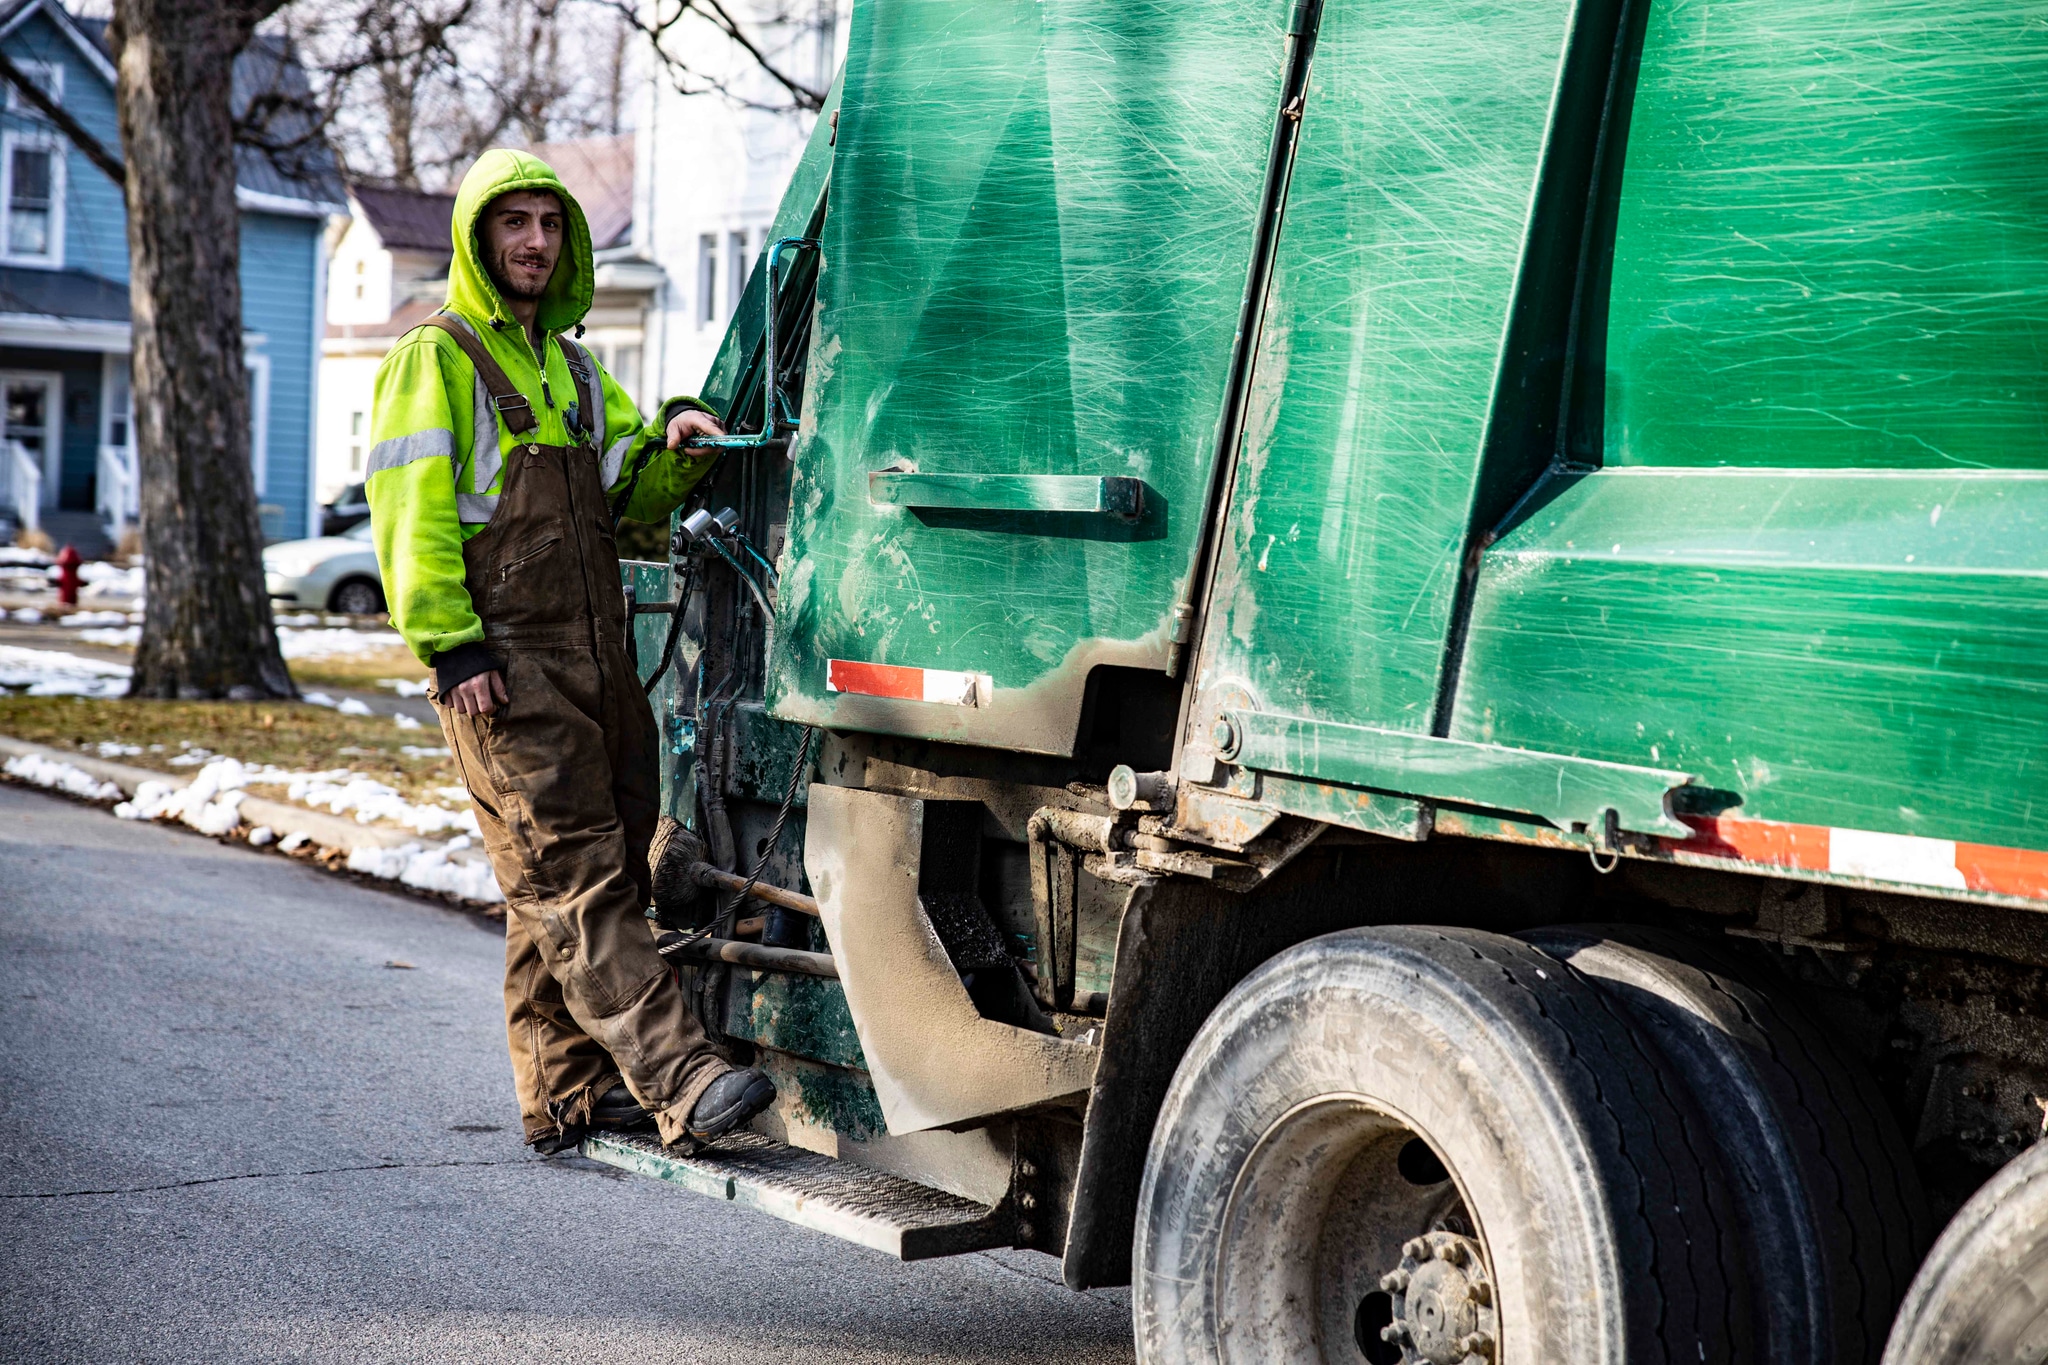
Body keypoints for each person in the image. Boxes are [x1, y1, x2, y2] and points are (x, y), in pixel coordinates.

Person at [364, 149, 775, 1154]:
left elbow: (627, 502)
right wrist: (450, 647)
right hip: (503, 668)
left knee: (580, 873)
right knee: (573, 875)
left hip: (599, 663)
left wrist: (673, 444)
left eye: (551, 223)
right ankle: (681, 1077)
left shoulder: (580, 372)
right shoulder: (440, 357)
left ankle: (569, 1093)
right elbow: (406, 515)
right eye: (515, 224)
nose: (535, 241)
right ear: (479, 238)